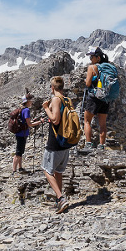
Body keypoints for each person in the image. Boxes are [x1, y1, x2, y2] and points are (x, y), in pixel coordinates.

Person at [41, 76, 72, 213]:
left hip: (55, 141)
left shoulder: (55, 100)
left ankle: (60, 198)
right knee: (58, 171)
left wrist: (46, 108)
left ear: (52, 88)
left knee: (47, 170)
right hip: (66, 141)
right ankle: (58, 200)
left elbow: (55, 119)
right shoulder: (67, 99)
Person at [83, 47, 110, 150]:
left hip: (94, 98)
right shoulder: (108, 67)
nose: (90, 59)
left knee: (87, 120)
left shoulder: (92, 68)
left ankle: (89, 144)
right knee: (102, 123)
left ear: (98, 58)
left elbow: (88, 83)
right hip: (106, 98)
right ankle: (102, 145)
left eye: (92, 57)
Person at [13, 92, 44, 175]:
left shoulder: (22, 109)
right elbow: (29, 124)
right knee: (19, 152)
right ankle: (14, 171)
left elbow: (27, 122)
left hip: (20, 133)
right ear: (27, 101)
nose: (32, 102)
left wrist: (32, 122)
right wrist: (39, 122)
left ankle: (19, 168)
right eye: (31, 100)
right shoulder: (26, 110)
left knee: (20, 151)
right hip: (22, 133)